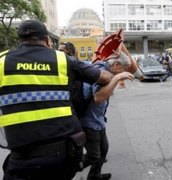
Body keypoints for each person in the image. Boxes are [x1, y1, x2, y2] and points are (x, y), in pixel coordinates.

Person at [0, 19, 113, 180]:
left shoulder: (2, 62)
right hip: (62, 156)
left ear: (19, 41)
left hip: (21, 158)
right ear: (47, 40)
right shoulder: (63, 60)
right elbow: (104, 77)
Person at [80, 51, 134, 180]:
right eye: (123, 69)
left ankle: (94, 176)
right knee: (94, 155)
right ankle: (71, 167)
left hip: (98, 120)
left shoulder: (106, 70)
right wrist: (116, 78)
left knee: (104, 149)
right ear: (116, 64)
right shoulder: (100, 72)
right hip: (88, 121)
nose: (123, 72)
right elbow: (98, 97)